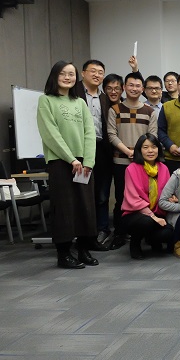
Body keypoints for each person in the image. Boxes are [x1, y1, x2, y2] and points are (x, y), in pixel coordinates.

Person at [37, 61, 99, 269]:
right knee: (64, 207)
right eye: (63, 73)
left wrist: (88, 161)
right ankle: (63, 254)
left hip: (83, 163)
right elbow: (50, 134)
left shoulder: (80, 102)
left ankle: (83, 249)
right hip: (61, 162)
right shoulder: (46, 100)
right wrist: (71, 159)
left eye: (71, 74)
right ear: (54, 76)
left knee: (85, 205)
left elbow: (89, 132)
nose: (67, 77)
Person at [107, 71, 158, 250]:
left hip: (144, 164)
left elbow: (152, 136)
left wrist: (139, 154)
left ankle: (145, 233)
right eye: (131, 85)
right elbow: (111, 135)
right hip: (121, 162)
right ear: (124, 87)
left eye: (138, 86)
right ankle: (120, 233)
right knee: (121, 199)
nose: (134, 88)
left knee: (146, 198)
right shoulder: (115, 110)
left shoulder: (150, 111)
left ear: (142, 89)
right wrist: (128, 152)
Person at [74, 59, 112, 249]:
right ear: (83, 73)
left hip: (101, 150)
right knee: (83, 191)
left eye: (100, 72)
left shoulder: (105, 98)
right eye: (93, 71)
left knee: (102, 192)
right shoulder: (73, 94)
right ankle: (83, 232)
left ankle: (101, 230)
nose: (97, 75)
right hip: (80, 152)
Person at [121, 133, 172, 259]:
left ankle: (152, 239)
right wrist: (153, 216)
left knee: (168, 232)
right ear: (139, 150)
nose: (150, 150)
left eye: (154, 147)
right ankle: (135, 244)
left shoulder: (163, 168)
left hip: (157, 211)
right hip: (135, 214)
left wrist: (172, 198)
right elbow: (133, 199)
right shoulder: (132, 169)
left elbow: (167, 192)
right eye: (146, 147)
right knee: (146, 222)